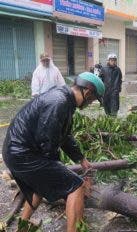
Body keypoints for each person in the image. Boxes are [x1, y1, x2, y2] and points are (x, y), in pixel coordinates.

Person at [2, 72, 105, 232]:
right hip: (23, 154)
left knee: (41, 185)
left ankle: (22, 226)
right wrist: (61, 171)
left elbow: (64, 136)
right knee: (76, 186)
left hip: (16, 152)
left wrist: (81, 160)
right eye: (92, 100)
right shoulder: (59, 102)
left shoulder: (64, 100)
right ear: (88, 92)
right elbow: (48, 141)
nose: (90, 103)